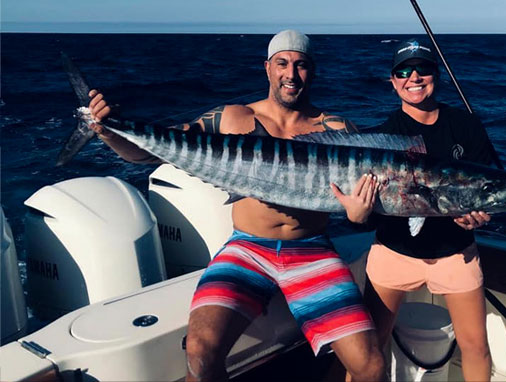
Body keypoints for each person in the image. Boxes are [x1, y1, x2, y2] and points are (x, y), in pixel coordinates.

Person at [87, 30, 385, 382]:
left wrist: (357, 216)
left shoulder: (336, 129)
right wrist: (107, 131)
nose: (291, 74)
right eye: (282, 63)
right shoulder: (231, 118)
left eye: (301, 65)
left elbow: (361, 208)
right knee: (199, 350)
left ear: (313, 71)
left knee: (370, 367)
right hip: (247, 249)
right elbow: (150, 150)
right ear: (267, 68)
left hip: (312, 252)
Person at [362, 40, 493, 381]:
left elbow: (486, 186)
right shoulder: (382, 135)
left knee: (476, 347)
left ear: (437, 75)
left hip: (455, 253)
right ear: (392, 81)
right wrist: (355, 211)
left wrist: (478, 214)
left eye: (423, 69)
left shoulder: (466, 126)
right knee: (368, 350)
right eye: (403, 72)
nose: (414, 77)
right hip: (394, 251)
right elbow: (372, 212)